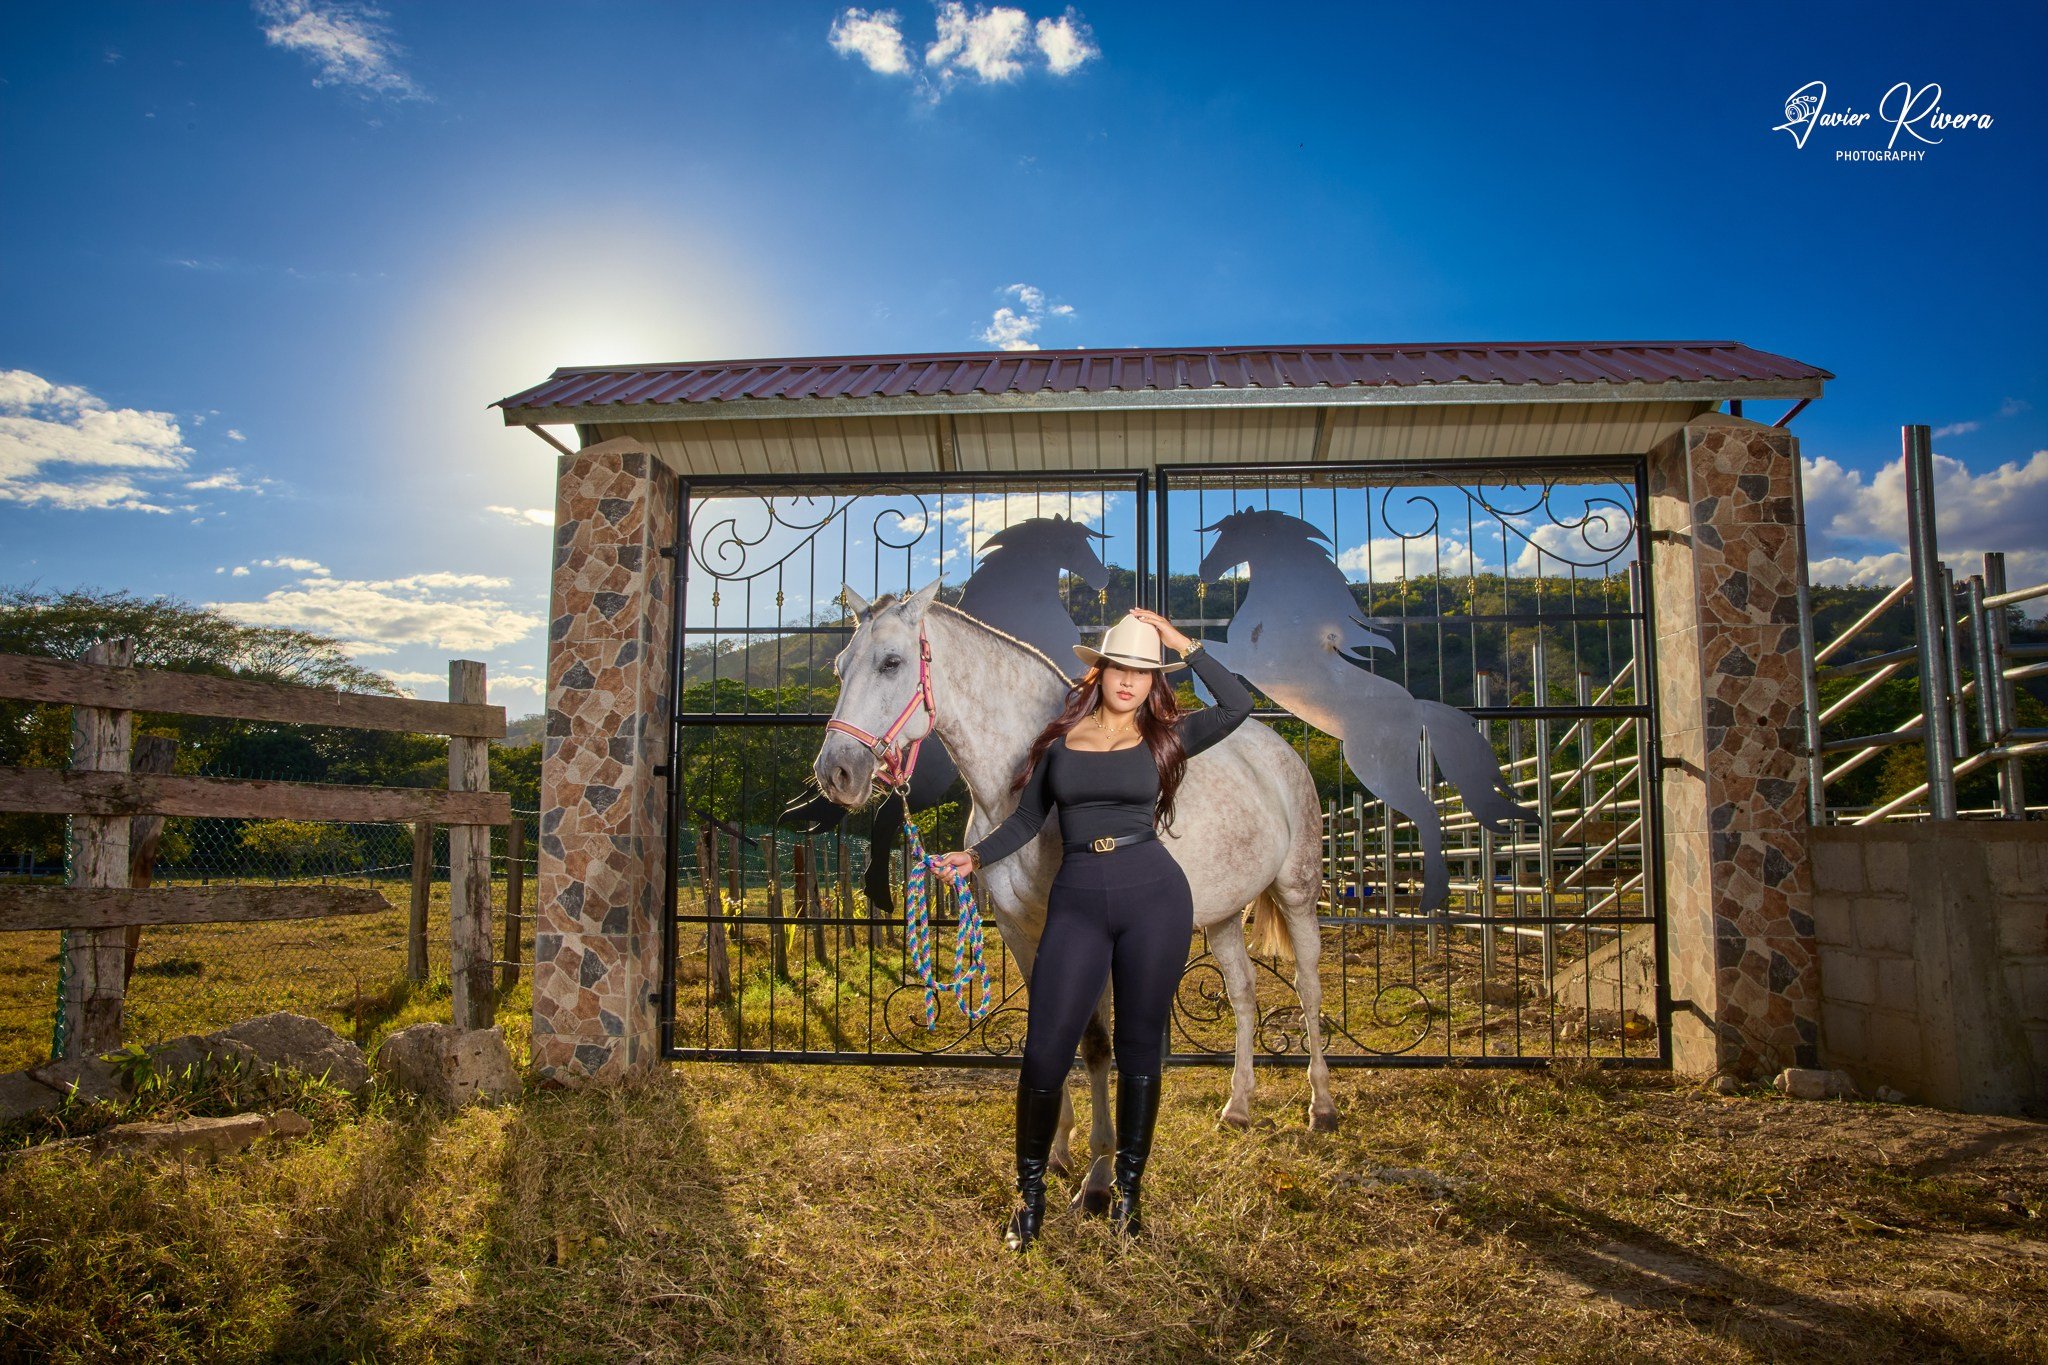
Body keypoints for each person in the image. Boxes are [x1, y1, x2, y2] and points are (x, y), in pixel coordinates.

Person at [929, 606, 1254, 1251]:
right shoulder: (1056, 745)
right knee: (1044, 1052)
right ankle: (1030, 1199)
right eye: (1121, 666)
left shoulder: (1167, 737)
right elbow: (1026, 822)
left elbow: (1239, 704)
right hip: (1077, 896)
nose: (1130, 679)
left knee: (1139, 1055)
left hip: (1154, 898)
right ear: (1099, 671)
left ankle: (1129, 1197)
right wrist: (974, 857)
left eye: (1143, 669)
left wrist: (1179, 642)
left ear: (1151, 678)